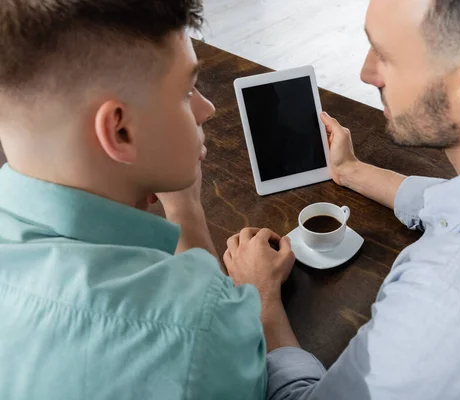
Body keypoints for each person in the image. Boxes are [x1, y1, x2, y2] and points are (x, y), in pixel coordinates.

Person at [223, 0, 460, 399]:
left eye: (384, 56)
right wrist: (352, 170)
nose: (366, 73)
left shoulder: (449, 304)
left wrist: (260, 298)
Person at [0, 1, 266, 399]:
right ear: (120, 130)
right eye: (186, 91)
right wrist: (258, 288)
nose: (206, 109)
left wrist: (182, 207)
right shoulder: (198, 330)